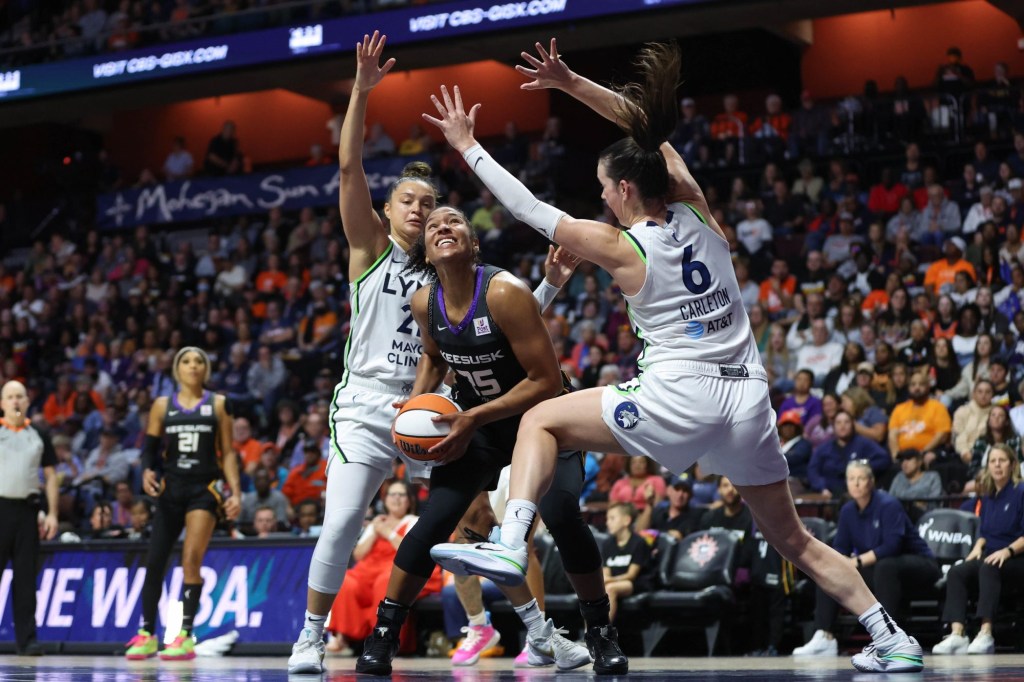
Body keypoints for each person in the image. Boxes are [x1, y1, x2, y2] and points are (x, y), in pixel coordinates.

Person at [423, 38, 924, 672]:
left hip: (681, 393)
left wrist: (467, 145)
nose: (603, 199)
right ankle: (890, 638)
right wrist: (572, 82)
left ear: (626, 189)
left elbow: (526, 208)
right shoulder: (697, 207)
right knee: (793, 537)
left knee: (538, 420)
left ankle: (510, 543)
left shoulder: (623, 246)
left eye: (606, 189)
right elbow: (647, 128)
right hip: (747, 398)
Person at [287, 32, 584, 677]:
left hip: (438, 402)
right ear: (388, 211)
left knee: (481, 522)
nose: (420, 209)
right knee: (340, 524)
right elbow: (348, 171)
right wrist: (362, 92)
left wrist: (552, 285)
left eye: (428, 202)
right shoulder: (368, 249)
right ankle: (310, 635)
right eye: (408, 201)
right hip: (370, 403)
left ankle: (537, 633)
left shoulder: (452, 271)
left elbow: (499, 331)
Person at [355, 205, 607, 676]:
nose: (442, 228)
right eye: (432, 226)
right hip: (482, 425)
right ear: (426, 252)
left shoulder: (505, 291)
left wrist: (472, 416)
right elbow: (432, 357)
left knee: (561, 515)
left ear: (473, 244)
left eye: (454, 223)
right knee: (434, 520)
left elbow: (546, 380)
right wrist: (415, 403)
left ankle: (599, 631)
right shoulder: (422, 303)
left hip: (543, 418)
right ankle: (384, 636)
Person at [125, 347, 241, 661]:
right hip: (170, 488)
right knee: (155, 561)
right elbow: (149, 450)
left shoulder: (218, 404)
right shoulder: (162, 406)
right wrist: (148, 471)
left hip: (203, 489)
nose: (193, 366)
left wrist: (236, 492)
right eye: (186, 361)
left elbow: (228, 452)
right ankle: (147, 633)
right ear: (177, 369)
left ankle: (185, 636)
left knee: (191, 558)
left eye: (199, 361)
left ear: (206, 369)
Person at [793, 461, 939, 657]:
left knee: (885, 567)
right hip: (879, 568)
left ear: (871, 482)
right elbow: (840, 548)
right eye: (851, 479)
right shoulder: (847, 511)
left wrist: (856, 561)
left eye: (861, 479)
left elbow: (891, 546)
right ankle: (824, 636)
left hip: (918, 564)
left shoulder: (888, 504)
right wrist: (840, 563)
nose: (856, 484)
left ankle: (888, 637)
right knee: (830, 570)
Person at [326, 480, 441, 653]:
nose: (396, 499)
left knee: (385, 582)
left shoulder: (414, 521)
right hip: (369, 568)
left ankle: (383, 639)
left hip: (399, 568)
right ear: (385, 500)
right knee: (347, 581)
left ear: (409, 500)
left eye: (401, 495)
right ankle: (343, 638)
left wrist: (387, 532)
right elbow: (359, 554)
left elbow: (410, 550)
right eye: (392, 494)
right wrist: (375, 531)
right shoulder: (376, 522)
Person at [932, 444, 1024, 655]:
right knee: (958, 571)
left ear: (1012, 465)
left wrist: (1007, 551)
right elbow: (985, 533)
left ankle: (986, 632)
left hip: (1016, 557)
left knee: (988, 566)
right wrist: (977, 548)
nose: (997, 465)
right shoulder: (989, 496)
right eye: (993, 461)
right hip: (992, 556)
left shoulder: (1021, 492)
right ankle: (957, 634)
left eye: (1002, 460)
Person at [0, 381, 58, 656]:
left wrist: (53, 513)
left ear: (27, 401)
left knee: (25, 580)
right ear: (2, 403)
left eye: (19, 397)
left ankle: (27, 639)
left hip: (27, 512)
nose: (15, 401)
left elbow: (50, 477)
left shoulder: (39, 434)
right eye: (9, 397)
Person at [601, 503, 652, 623]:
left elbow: (631, 575)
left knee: (610, 588)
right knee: (592, 591)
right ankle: (588, 634)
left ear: (626, 521)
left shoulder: (639, 543)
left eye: (612, 518)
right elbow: (606, 572)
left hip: (636, 583)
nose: (607, 523)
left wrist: (608, 581)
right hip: (615, 582)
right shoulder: (608, 544)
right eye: (607, 519)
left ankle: (603, 634)